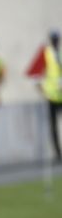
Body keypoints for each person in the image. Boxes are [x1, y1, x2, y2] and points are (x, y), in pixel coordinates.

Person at [40, 30, 62, 162]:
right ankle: (57, 153)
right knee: (53, 126)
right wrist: (43, 90)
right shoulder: (46, 53)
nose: (55, 41)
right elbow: (37, 73)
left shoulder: (60, 53)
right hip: (52, 96)